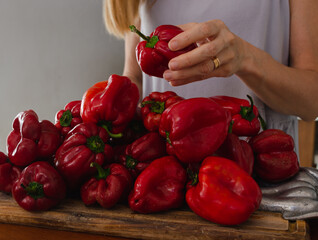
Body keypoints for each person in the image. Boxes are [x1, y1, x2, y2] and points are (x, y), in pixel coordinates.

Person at [103, 0, 318, 150]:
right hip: (164, 169)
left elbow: (312, 101)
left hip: (258, 174)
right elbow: (136, 77)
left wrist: (244, 58)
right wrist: (103, 112)